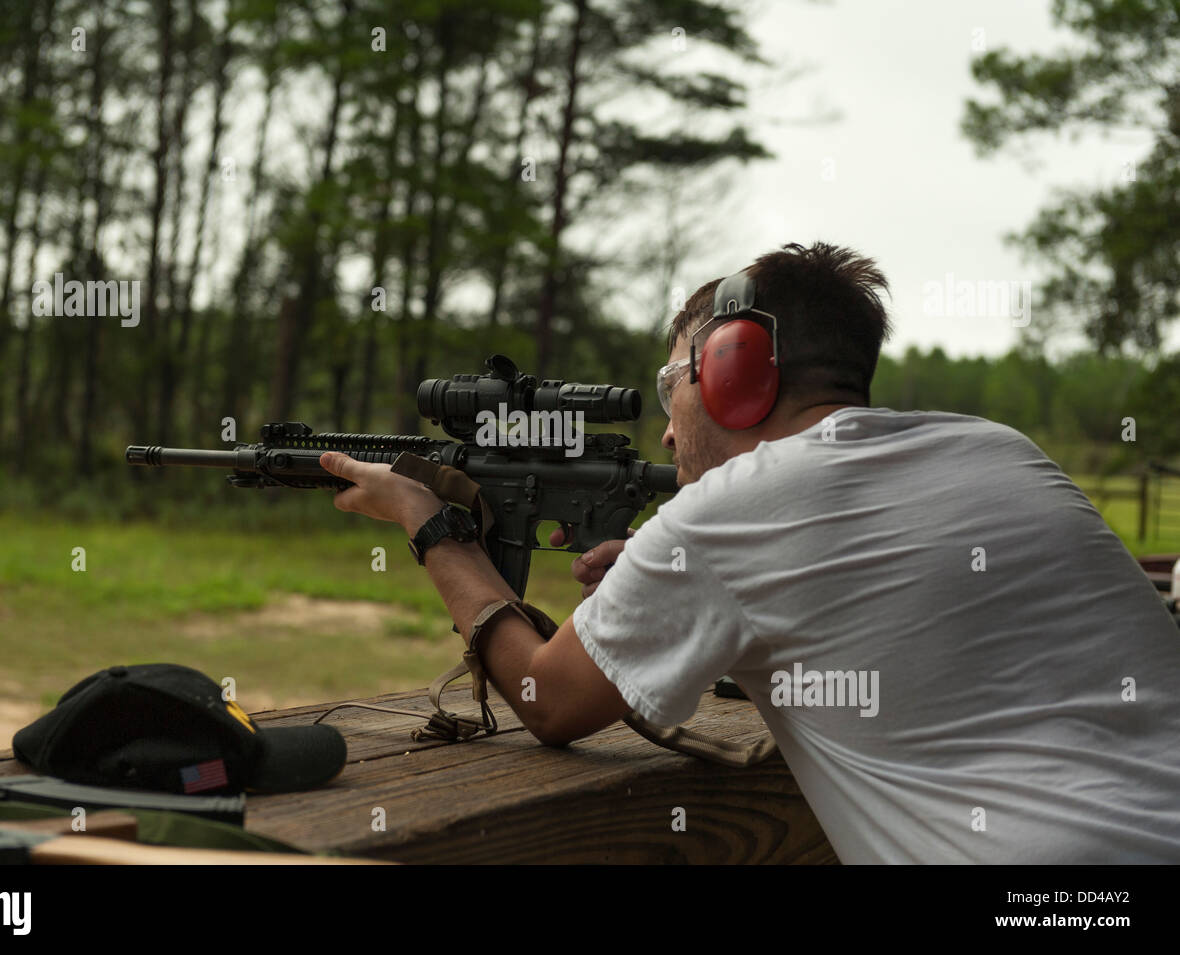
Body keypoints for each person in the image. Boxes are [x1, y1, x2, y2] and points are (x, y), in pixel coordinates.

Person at [318, 241, 1180, 864]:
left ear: (733, 370)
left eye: (673, 384)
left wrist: (428, 523)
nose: (665, 423)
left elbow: (547, 698)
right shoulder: (1001, 449)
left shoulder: (728, 513)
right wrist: (686, 600)